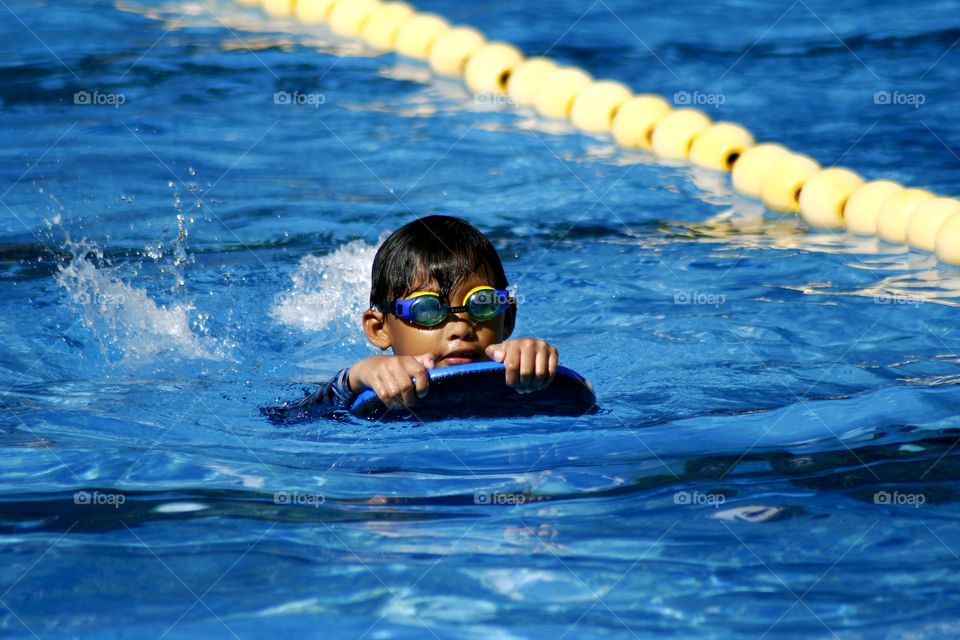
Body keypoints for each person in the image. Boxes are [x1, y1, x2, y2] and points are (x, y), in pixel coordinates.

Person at [279, 215, 560, 420]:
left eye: (481, 304)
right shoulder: (365, 386)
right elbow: (287, 418)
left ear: (507, 318)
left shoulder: (527, 380)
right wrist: (353, 379)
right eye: (427, 309)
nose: (461, 328)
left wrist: (543, 368)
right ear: (379, 329)